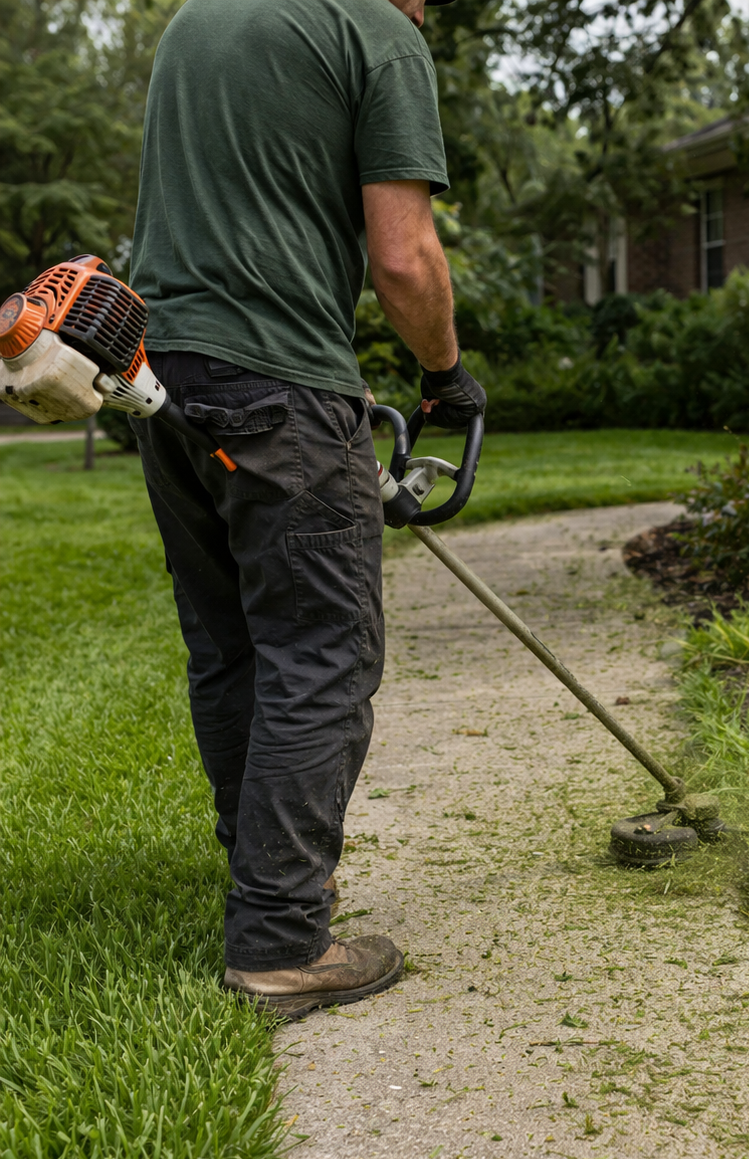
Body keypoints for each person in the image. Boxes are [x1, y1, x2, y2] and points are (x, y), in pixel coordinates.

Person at [128, 0, 485, 1019]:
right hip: (278, 384)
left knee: (235, 644)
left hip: (160, 377)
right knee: (321, 649)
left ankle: (269, 885)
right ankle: (282, 945)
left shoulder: (200, 22)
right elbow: (405, 257)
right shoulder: (377, 32)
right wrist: (446, 375)